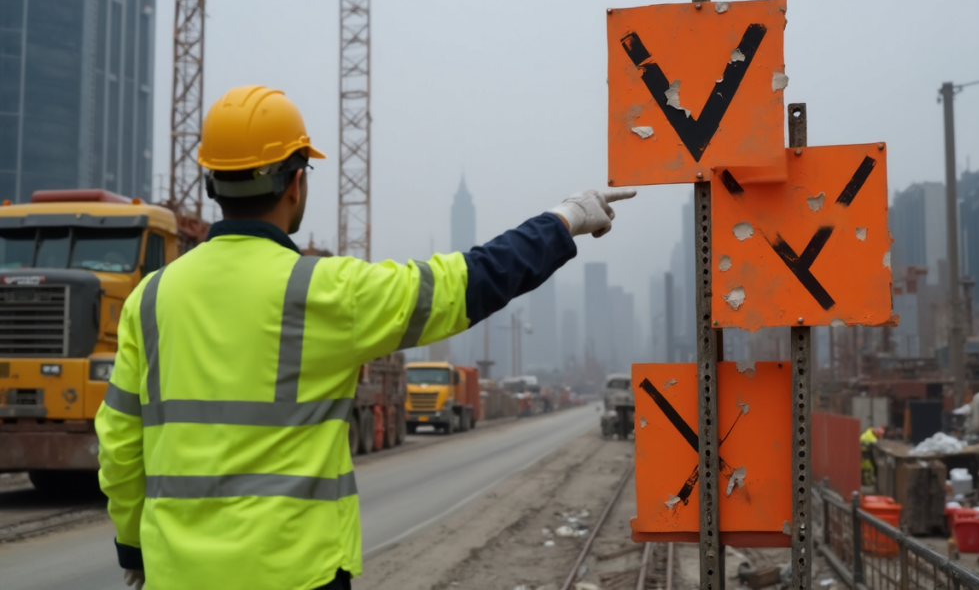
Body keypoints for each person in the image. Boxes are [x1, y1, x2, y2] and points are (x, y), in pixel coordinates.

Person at [95, 85, 636, 590]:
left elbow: (120, 446)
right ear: (296, 181)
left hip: (175, 574)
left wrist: (133, 549)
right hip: (297, 573)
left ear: (211, 183)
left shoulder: (150, 299)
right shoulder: (324, 292)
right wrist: (562, 220)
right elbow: (465, 283)